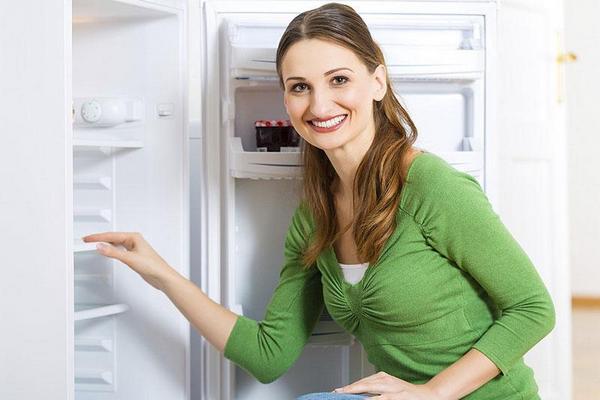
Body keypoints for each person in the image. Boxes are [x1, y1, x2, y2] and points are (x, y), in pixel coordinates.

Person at [83, 3, 556, 399]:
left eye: (339, 80)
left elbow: (533, 308)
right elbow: (270, 355)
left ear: (377, 82)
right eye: (300, 87)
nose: (319, 106)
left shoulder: (430, 185)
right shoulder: (316, 217)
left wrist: (432, 393)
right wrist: (161, 275)